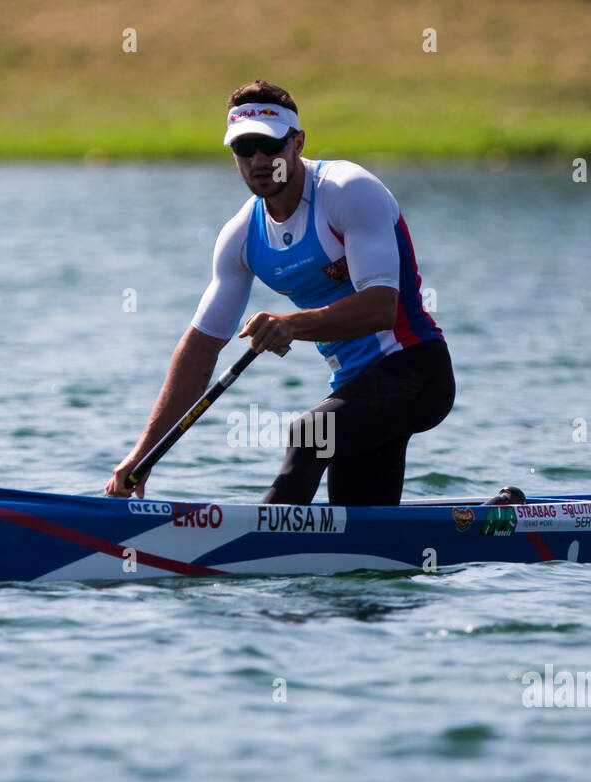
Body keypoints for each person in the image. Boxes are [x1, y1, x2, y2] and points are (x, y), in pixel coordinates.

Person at [106, 80, 454, 506]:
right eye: (244, 147)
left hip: (417, 370)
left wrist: (291, 325)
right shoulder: (241, 237)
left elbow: (382, 306)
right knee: (359, 544)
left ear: (298, 142)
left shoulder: (347, 192)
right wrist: (142, 455)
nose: (258, 160)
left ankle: (246, 556)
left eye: (270, 146)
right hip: (353, 387)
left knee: (309, 435)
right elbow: (200, 349)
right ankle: (493, 522)